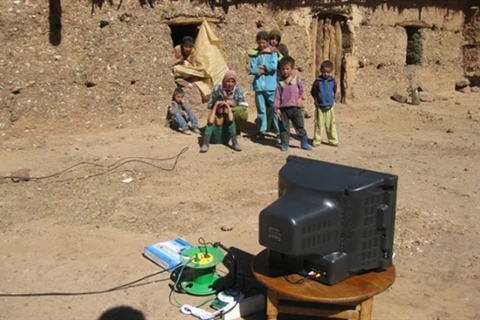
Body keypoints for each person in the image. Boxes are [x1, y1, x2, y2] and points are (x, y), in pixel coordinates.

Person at [274, 57, 312, 152]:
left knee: (299, 126)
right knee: (284, 127)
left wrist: (300, 99)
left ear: (292, 68)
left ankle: (304, 143)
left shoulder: (297, 80)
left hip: (295, 108)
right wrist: (277, 108)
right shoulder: (280, 83)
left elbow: (302, 91)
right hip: (284, 110)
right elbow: (277, 96)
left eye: (287, 69)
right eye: (283, 69)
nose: (285, 71)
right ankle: (285, 144)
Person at [249, 31, 279, 139]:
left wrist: (263, 68)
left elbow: (274, 66)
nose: (261, 45)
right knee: (261, 110)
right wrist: (261, 70)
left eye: (263, 42)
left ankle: (278, 130)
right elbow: (252, 69)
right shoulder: (255, 55)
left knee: (275, 109)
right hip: (259, 87)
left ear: (267, 42)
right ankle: (262, 130)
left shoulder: (273, 53)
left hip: (270, 87)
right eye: (259, 43)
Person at [207, 70, 248, 135]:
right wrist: (221, 104)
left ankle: (236, 129)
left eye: (233, 82)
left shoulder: (237, 89)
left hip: (231, 112)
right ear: (224, 81)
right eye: (228, 81)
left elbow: (244, 106)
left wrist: (232, 107)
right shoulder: (217, 88)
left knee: (243, 115)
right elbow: (209, 104)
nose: (230, 84)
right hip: (219, 111)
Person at [310, 60, 339, 147]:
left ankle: (333, 140)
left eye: (328, 72)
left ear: (331, 72)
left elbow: (334, 90)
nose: (326, 74)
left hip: (329, 107)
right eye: (324, 72)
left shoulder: (332, 81)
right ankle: (317, 140)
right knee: (318, 125)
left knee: (331, 125)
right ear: (321, 71)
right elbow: (313, 92)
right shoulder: (317, 82)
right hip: (320, 107)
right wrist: (316, 100)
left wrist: (332, 100)